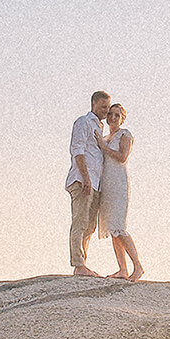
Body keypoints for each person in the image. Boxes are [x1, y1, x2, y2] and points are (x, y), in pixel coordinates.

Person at [96, 102, 144, 280]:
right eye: (111, 115)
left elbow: (123, 157)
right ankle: (122, 269)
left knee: (119, 226)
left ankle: (137, 267)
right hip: (107, 184)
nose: (113, 118)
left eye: (117, 115)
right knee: (112, 229)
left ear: (122, 118)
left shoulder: (125, 134)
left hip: (119, 183)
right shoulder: (107, 137)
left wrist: (103, 146)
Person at [66, 90, 110, 276]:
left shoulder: (100, 128)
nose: (106, 111)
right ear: (93, 104)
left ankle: (83, 263)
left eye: (108, 107)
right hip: (83, 180)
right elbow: (78, 149)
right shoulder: (84, 122)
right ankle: (78, 264)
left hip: (96, 183)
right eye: (103, 107)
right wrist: (85, 176)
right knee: (80, 222)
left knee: (91, 225)